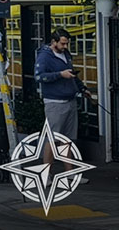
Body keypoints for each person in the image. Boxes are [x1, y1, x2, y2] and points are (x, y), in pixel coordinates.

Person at [34, 28, 92, 174]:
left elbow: (70, 73)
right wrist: (60, 74)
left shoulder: (66, 54)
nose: (65, 47)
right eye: (63, 44)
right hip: (54, 102)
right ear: (54, 42)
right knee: (52, 140)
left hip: (70, 100)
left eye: (67, 44)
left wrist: (82, 88)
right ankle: (46, 175)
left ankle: (69, 173)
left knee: (68, 139)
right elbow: (39, 77)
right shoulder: (44, 57)